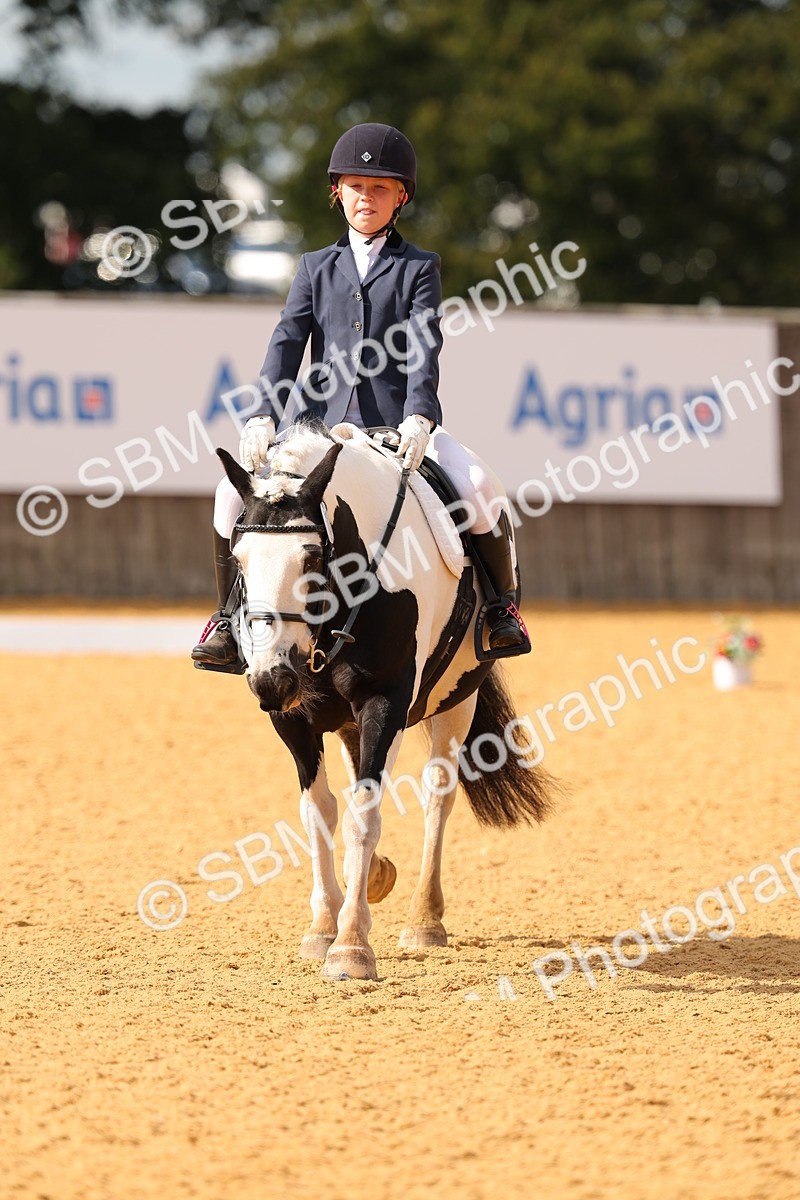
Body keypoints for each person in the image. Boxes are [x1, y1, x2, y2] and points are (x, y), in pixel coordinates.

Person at [192, 122, 529, 671]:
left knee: (478, 486)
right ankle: (227, 620)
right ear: (337, 193)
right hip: (318, 431)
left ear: (401, 197)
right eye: (355, 186)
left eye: (379, 188)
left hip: (398, 430)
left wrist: (419, 416)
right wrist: (261, 417)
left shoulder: (419, 268)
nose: (365, 198)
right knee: (227, 498)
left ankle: (500, 610)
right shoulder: (313, 267)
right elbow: (286, 343)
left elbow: (424, 345)